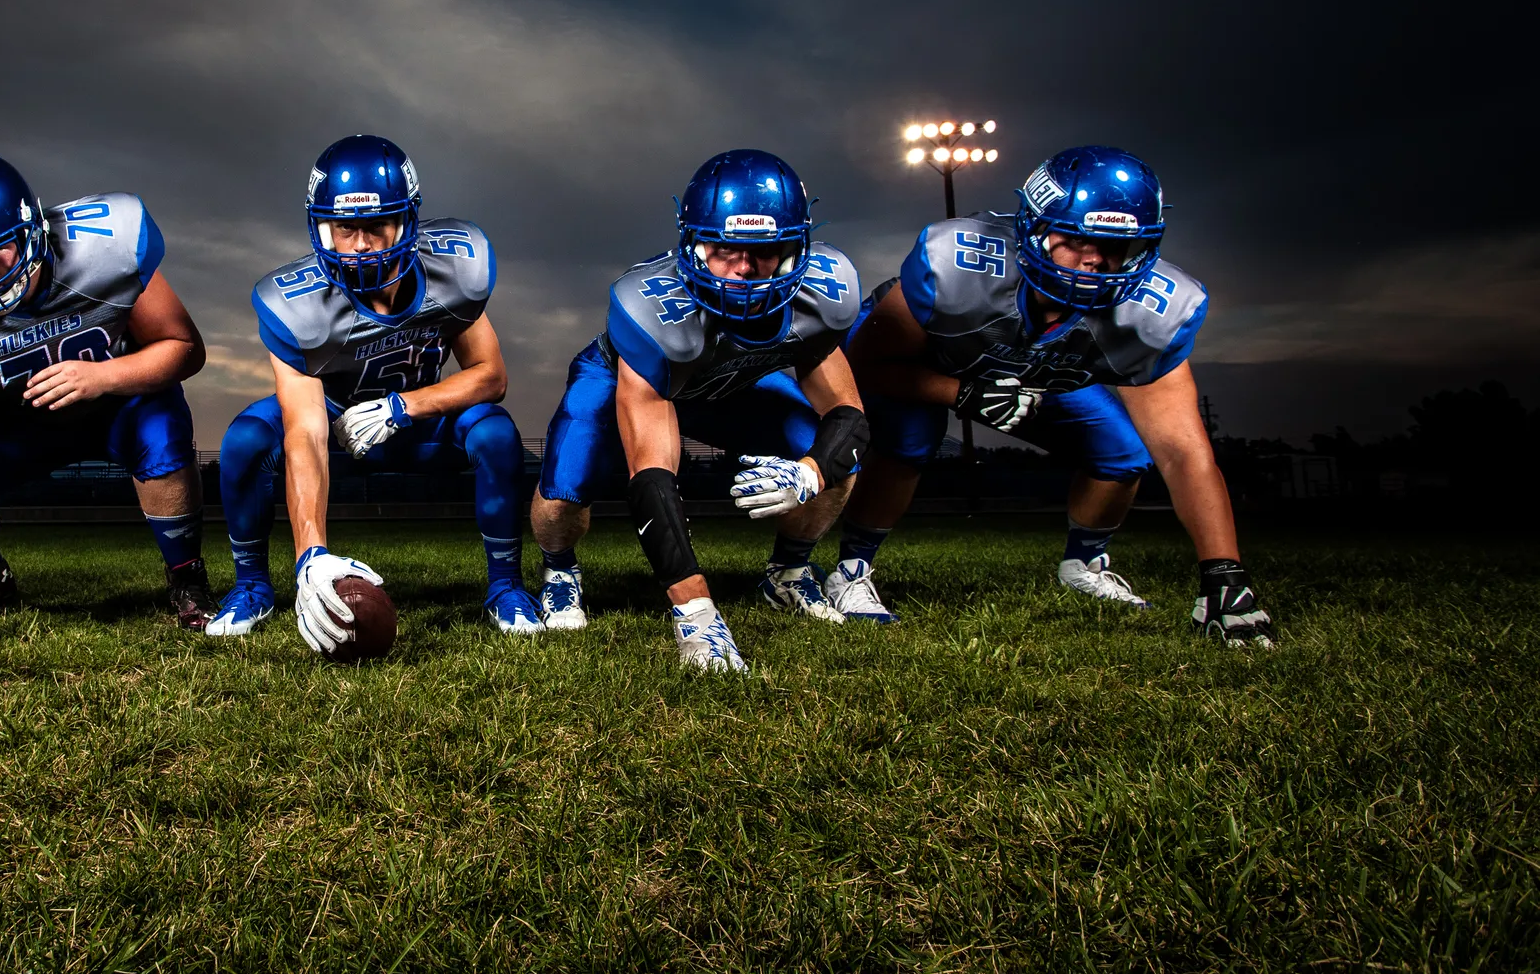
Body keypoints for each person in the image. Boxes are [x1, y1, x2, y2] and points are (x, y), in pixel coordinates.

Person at [830, 144, 1276, 646]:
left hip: (1037, 376)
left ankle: (1083, 564)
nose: (1095, 260)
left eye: (1116, 246)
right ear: (1034, 228)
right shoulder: (957, 267)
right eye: (1075, 238)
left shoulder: (1152, 315)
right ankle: (851, 569)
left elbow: (1183, 451)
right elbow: (868, 365)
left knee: (1122, 453)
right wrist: (962, 393)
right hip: (930, 365)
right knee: (910, 438)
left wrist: (1225, 576)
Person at [528, 149, 871, 672]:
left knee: (837, 459)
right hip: (634, 378)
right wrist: (697, 614)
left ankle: (788, 572)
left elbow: (848, 415)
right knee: (563, 491)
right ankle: (559, 571)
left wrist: (811, 471)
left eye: (765, 251)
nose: (743, 270)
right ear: (692, 245)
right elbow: (652, 478)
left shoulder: (824, 295)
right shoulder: (650, 309)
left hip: (732, 387)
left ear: (798, 248)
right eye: (722, 249)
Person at [0, 150, 210, 655]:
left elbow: (184, 348)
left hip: (114, 403)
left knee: (161, 431)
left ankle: (186, 574)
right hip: (16, 423)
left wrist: (104, 375)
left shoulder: (106, 246)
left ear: (31, 230)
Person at [211, 134, 543, 654]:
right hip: (334, 420)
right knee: (246, 439)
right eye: (346, 228)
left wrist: (405, 406)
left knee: (497, 432)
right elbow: (304, 428)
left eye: (376, 226)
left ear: (406, 222)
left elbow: (490, 375)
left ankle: (505, 586)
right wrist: (312, 554)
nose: (362, 245)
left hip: (417, 419)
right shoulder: (296, 305)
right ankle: (254, 585)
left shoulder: (450, 271)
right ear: (322, 227)